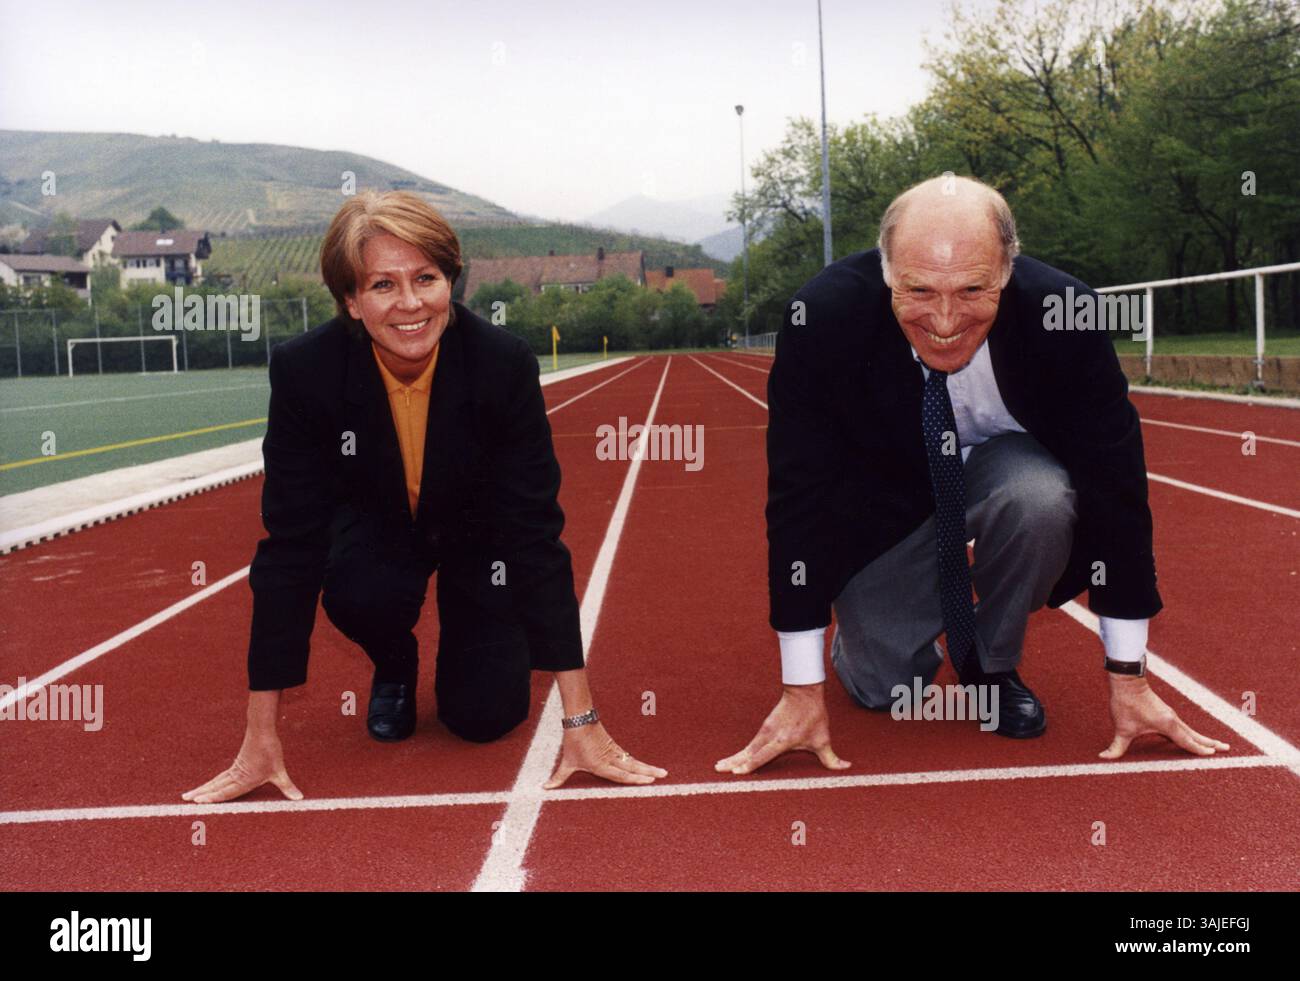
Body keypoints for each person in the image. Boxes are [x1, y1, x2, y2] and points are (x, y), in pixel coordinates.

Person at [717, 175, 1228, 775]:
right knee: (884, 690)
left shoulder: (1067, 316)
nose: (944, 318)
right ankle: (871, 641)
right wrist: (802, 688)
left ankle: (992, 664)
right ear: (885, 271)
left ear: (1009, 270)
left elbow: (1116, 486)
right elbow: (798, 495)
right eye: (919, 289)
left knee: (1040, 500)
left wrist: (1129, 678)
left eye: (972, 289)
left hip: (1002, 474)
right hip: (883, 500)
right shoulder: (823, 319)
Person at [185, 191, 664, 803]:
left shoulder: (502, 366)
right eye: (382, 285)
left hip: (477, 537)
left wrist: (581, 720)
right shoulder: (308, 372)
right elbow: (290, 546)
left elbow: (533, 533)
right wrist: (258, 734)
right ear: (351, 302)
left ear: (451, 283)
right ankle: (394, 661)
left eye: (426, 279)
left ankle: (480, 657)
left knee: (484, 719)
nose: (410, 304)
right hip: (379, 531)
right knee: (359, 595)